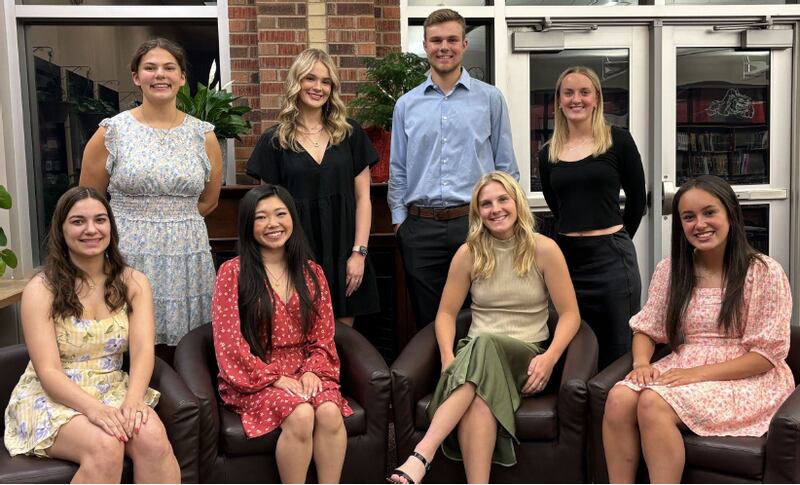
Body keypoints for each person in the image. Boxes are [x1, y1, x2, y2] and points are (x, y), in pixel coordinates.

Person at [389, 172, 580, 484]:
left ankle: (421, 454)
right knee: (479, 400)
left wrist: (551, 358)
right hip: (476, 358)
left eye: (503, 199)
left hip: (525, 358)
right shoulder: (469, 253)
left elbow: (571, 314)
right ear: (478, 212)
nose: (496, 209)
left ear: (517, 202)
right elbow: (446, 314)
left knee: (485, 343)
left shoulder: (544, 249)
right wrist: (449, 357)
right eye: (486, 203)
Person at [602, 175, 794, 483]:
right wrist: (640, 365)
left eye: (709, 212)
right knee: (619, 398)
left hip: (746, 376)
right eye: (688, 217)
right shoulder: (671, 269)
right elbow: (647, 329)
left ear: (731, 214)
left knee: (652, 402)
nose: (699, 224)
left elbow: (766, 355)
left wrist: (695, 375)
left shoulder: (763, 272)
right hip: (684, 364)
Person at [4, 187, 179, 483]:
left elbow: (142, 351)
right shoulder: (41, 289)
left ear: (110, 225)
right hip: (53, 395)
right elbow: (48, 371)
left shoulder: (134, 282)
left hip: (113, 388)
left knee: (153, 439)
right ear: (61, 229)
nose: (91, 230)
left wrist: (133, 401)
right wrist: (94, 410)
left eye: (100, 220)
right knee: (105, 445)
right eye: (77, 221)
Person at [80, 38, 222, 355]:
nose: (160, 74)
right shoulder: (112, 132)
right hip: (128, 252)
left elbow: (210, 200)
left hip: (186, 253)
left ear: (182, 77)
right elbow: (89, 202)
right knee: (126, 344)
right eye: (150, 67)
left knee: (188, 349)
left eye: (169, 68)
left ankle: (187, 402)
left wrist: (173, 221)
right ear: (136, 76)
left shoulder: (204, 135)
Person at [388, 8, 519, 331]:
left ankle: (479, 381)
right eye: (435, 40)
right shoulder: (406, 105)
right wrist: (400, 224)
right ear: (425, 45)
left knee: (482, 314)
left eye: (451, 39)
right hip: (421, 228)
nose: (443, 46)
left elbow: (505, 167)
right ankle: (439, 381)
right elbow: (398, 169)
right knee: (429, 321)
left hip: (475, 225)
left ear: (463, 44)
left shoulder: (490, 99)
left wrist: (507, 222)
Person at [212, 184, 352, 483]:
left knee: (329, 411)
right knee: (300, 415)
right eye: (261, 217)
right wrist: (274, 377)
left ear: (292, 219)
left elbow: (324, 334)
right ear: (249, 225)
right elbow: (229, 343)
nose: (273, 224)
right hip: (255, 377)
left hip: (306, 369)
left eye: (280, 214)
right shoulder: (232, 272)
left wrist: (314, 370)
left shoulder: (312, 272)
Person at [246, 48, 379, 326]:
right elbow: (268, 211)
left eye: (326, 81)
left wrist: (359, 253)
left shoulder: (350, 134)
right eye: (310, 79)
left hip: (344, 251)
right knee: (298, 334)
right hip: (297, 252)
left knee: (343, 339)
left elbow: (363, 198)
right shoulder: (275, 141)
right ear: (297, 82)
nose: (318, 87)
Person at [538, 66, 646, 369]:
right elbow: (556, 204)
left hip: (612, 261)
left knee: (617, 347)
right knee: (575, 346)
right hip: (568, 261)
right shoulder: (548, 153)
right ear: (559, 101)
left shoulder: (618, 141)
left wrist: (617, 239)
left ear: (597, 98)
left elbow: (637, 202)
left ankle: (615, 413)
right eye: (568, 93)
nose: (577, 99)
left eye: (584, 92)